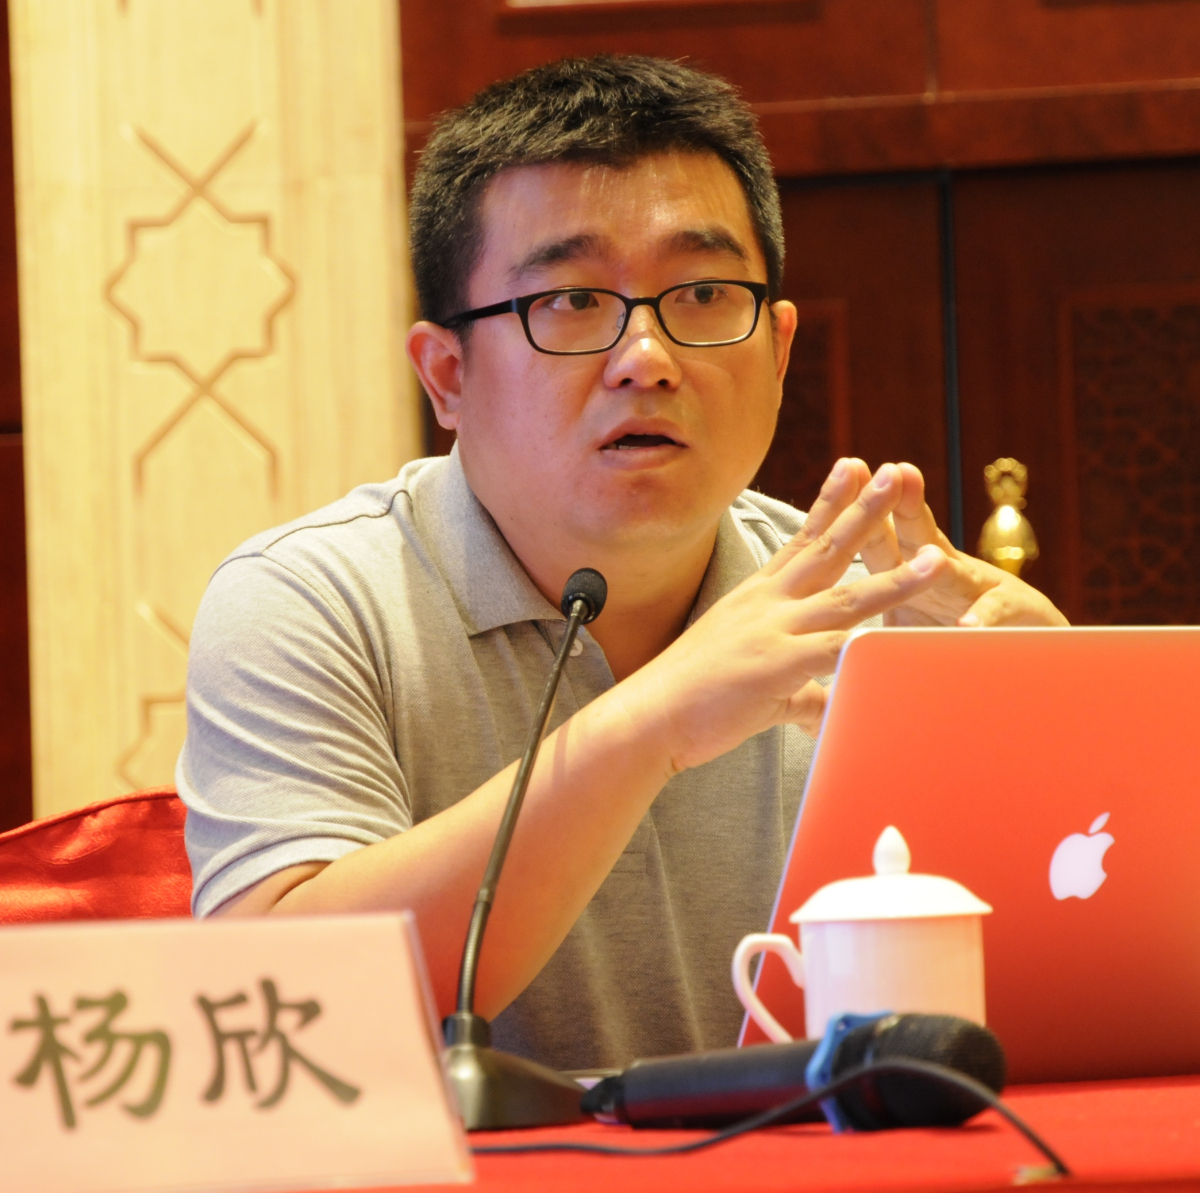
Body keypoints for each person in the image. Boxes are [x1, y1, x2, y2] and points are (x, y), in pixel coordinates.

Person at [179, 55, 1066, 1071]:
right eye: (570, 300)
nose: (647, 357)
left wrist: (1062, 751)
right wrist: (657, 722)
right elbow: (279, 1011)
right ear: (448, 373)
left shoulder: (873, 610)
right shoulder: (310, 601)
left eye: (703, 292)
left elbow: (1040, 1011)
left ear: (779, 352)